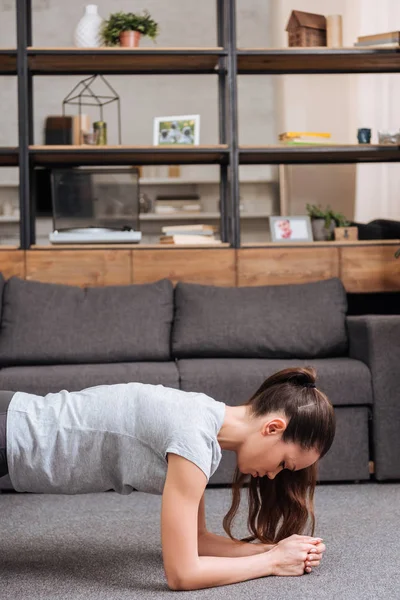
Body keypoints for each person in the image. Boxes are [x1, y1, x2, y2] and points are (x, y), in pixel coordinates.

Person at [0, 366, 334, 591]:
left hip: (13, 417)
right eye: (284, 464)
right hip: (9, 433)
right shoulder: (194, 439)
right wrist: (272, 562)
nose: (275, 475)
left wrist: (273, 547)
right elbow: (182, 573)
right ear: (273, 428)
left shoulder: (203, 420)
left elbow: (198, 541)